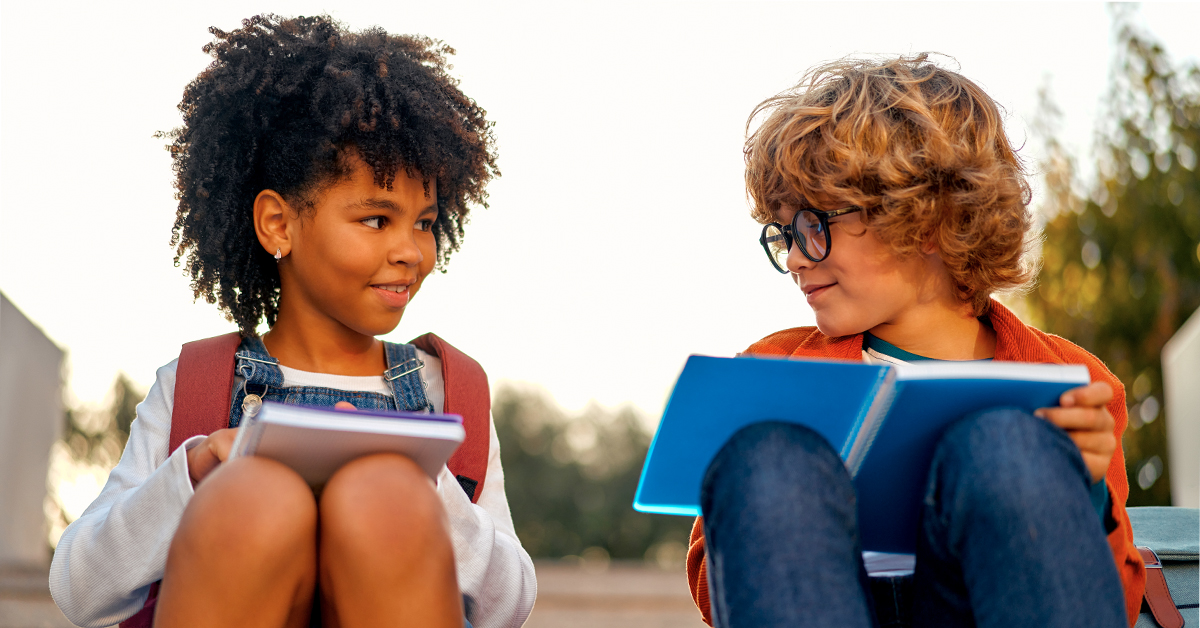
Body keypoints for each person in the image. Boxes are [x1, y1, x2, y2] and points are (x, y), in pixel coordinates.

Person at [49, 15, 535, 628]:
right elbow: (79, 589)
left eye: (425, 221)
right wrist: (196, 470)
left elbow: (510, 605)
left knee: (383, 498)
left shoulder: (451, 391)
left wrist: (418, 485)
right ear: (279, 224)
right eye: (377, 220)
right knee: (255, 498)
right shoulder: (197, 387)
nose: (412, 251)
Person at [686, 54, 1146, 628]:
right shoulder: (772, 367)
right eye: (784, 233)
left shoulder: (1075, 381)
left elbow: (1120, 603)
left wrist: (1088, 494)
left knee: (1010, 447)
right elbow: (717, 591)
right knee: (771, 455)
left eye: (814, 225)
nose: (797, 257)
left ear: (928, 220)